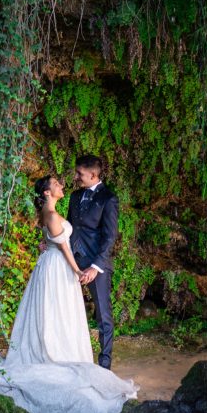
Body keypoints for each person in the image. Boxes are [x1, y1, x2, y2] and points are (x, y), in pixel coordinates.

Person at [0, 175, 137, 413]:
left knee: (59, 313)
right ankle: (56, 353)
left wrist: (47, 245)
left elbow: (54, 240)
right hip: (58, 268)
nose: (61, 185)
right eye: (56, 183)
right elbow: (65, 248)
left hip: (53, 266)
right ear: (47, 193)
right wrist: (78, 271)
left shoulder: (52, 212)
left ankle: (61, 349)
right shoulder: (51, 213)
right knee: (56, 312)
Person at [67, 154, 119, 370]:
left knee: (103, 314)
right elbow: (69, 227)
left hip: (95, 265)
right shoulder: (74, 196)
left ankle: (104, 365)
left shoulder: (108, 199)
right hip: (70, 262)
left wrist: (96, 267)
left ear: (93, 174)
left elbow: (110, 236)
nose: (76, 176)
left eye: (80, 173)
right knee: (66, 310)